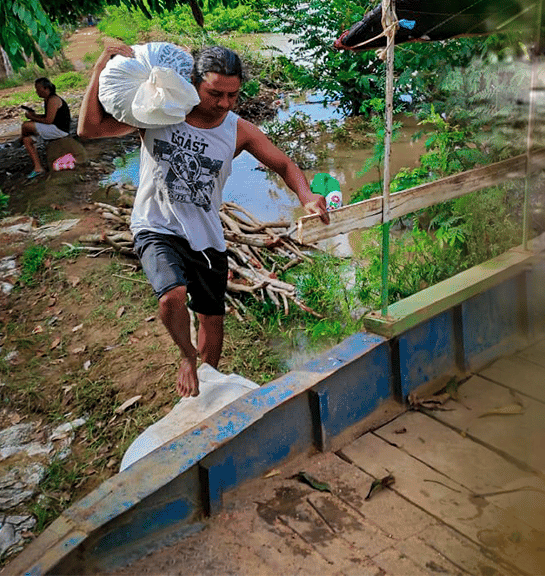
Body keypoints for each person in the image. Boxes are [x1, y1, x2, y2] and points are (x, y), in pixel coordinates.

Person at [78, 44, 330, 398]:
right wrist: (100, 65)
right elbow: (90, 129)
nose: (225, 103)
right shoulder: (159, 110)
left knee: (212, 321)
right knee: (172, 296)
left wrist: (306, 196)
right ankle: (186, 356)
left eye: (233, 94)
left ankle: (207, 388)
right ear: (193, 83)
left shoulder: (237, 130)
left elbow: (285, 165)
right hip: (156, 226)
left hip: (207, 236)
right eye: (215, 93)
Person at [20, 77, 71, 178]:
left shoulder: (53, 99)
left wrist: (32, 117)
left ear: (46, 88)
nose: (37, 91)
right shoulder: (48, 99)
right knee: (27, 140)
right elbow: (47, 116)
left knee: (26, 125)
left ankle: (20, 139)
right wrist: (34, 116)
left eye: (38, 89)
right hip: (53, 128)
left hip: (59, 130)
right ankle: (38, 168)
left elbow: (48, 120)